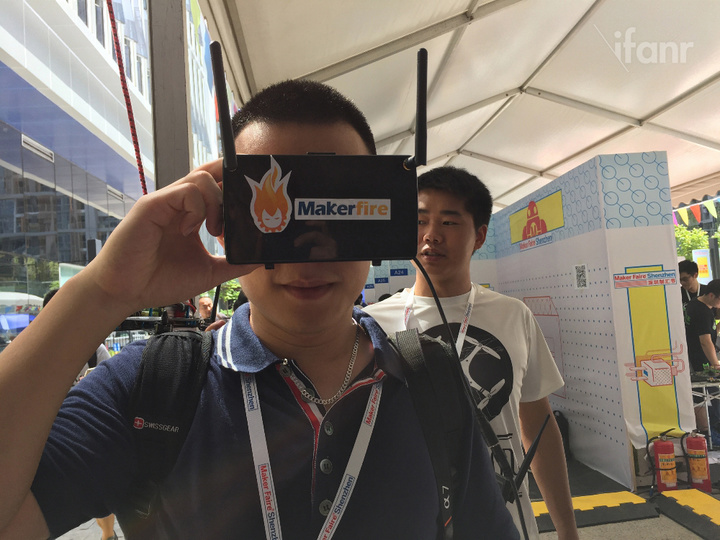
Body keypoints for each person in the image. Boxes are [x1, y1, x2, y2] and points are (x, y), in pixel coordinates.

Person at [0, 81, 517, 539]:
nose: (306, 252)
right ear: (226, 223)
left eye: (336, 209)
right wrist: (102, 292)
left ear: (379, 219)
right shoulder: (151, 388)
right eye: (275, 215)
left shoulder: (431, 378)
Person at [365, 166, 578, 540]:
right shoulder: (372, 324)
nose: (431, 235)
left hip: (506, 520)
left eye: (448, 222)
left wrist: (568, 531)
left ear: (479, 236)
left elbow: (538, 428)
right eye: (420, 221)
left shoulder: (513, 315)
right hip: (412, 522)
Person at [41, 289, 118, 540]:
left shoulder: (95, 350)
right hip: (49, 432)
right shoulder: (39, 351)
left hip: (87, 429)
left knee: (98, 487)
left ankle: (108, 535)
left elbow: (108, 387)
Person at [684, 278, 720, 441]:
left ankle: (708, 432)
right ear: (712, 295)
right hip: (699, 360)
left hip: (696, 357)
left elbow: (710, 333)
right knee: (707, 396)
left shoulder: (696, 304)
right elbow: (705, 341)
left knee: (704, 396)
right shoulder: (702, 312)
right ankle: (710, 433)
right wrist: (715, 363)